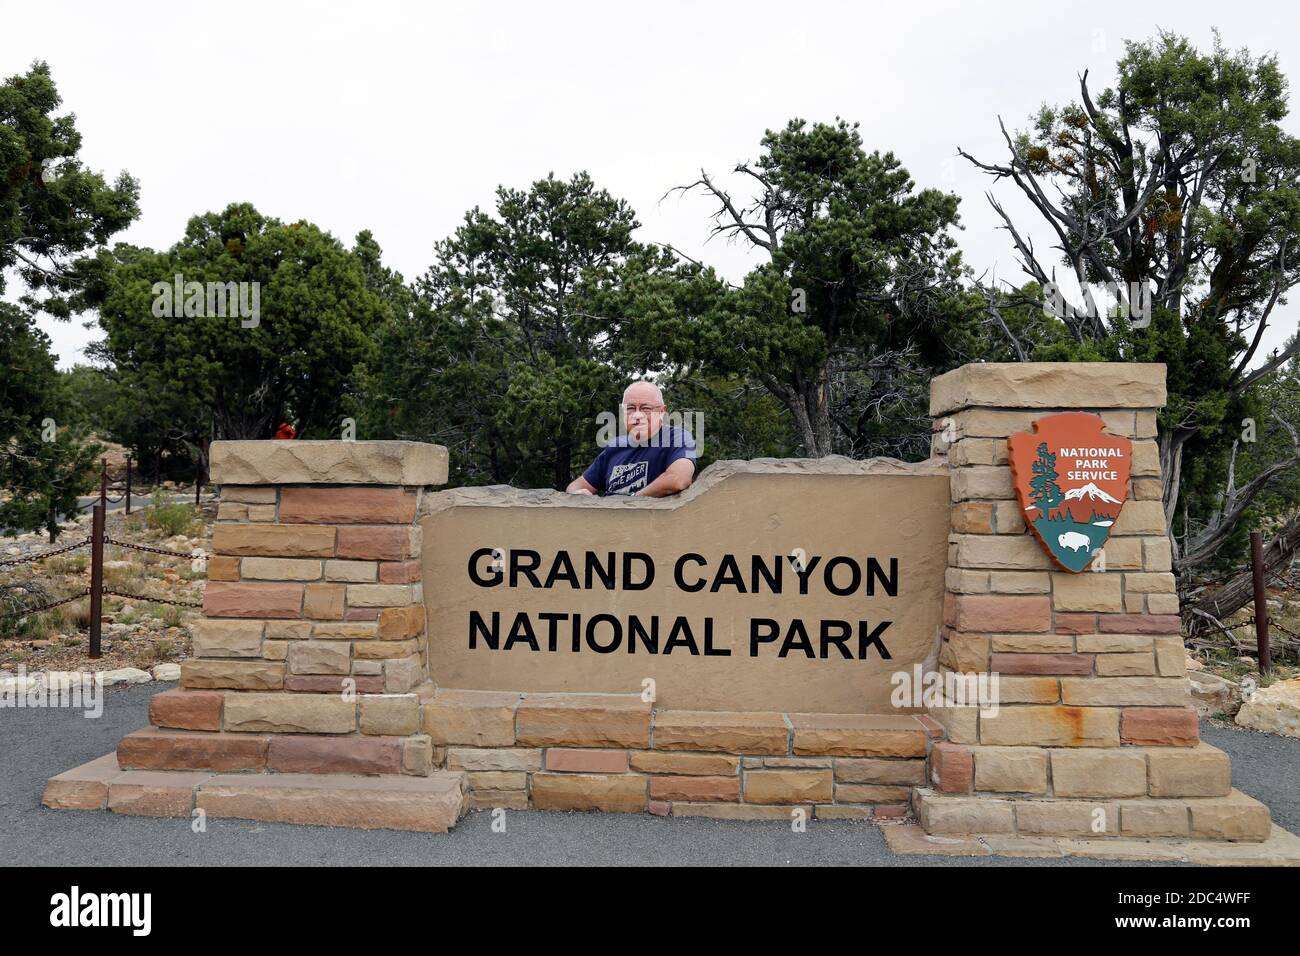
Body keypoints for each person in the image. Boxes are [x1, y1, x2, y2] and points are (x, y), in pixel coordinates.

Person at [566, 381, 697, 497]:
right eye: (630, 408)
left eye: (646, 408)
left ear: (662, 412)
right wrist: (578, 494)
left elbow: (678, 479)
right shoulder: (615, 447)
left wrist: (632, 500)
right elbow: (576, 486)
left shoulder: (678, 437)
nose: (637, 415)